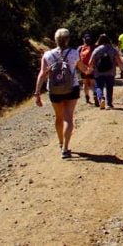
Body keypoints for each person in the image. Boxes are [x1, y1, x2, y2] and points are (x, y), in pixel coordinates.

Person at [34, 28, 89, 159]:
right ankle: (65, 148)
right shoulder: (74, 53)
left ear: (55, 39)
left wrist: (37, 93)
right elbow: (83, 69)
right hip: (72, 88)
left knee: (59, 117)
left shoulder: (47, 55)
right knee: (68, 118)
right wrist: (90, 69)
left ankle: (60, 143)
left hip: (54, 90)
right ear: (68, 39)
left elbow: (42, 74)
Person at [89, 34, 123, 110]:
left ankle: (101, 99)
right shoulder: (113, 49)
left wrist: (90, 70)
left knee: (99, 87)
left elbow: (91, 62)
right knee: (109, 87)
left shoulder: (96, 50)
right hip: (110, 72)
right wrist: (122, 70)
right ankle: (109, 104)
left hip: (98, 72)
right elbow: (119, 61)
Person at [78, 33, 97, 106]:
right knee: (92, 83)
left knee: (85, 83)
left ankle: (87, 98)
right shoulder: (93, 47)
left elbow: (77, 58)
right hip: (92, 68)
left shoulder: (80, 48)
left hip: (83, 68)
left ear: (84, 40)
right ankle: (95, 94)